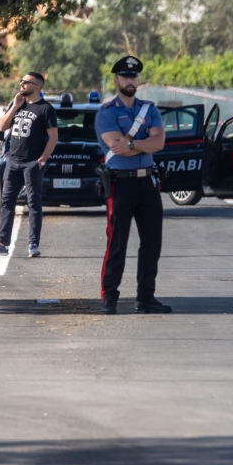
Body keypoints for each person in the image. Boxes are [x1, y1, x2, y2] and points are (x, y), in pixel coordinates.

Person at [95, 56, 170, 315]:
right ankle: (109, 297)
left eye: (134, 76)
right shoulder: (107, 113)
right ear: (116, 80)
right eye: (125, 76)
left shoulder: (150, 110)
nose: (130, 80)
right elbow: (118, 149)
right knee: (117, 243)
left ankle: (146, 298)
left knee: (152, 244)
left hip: (148, 182)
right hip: (121, 185)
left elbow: (159, 144)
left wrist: (133, 144)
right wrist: (141, 143)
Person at [0, 72, 58, 259]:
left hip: (32, 163)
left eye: (25, 82)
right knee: (7, 202)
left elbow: (53, 138)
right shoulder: (19, 105)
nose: (21, 85)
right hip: (12, 161)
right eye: (21, 82)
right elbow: (1, 127)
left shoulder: (46, 109)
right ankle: (1, 243)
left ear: (36, 87)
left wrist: (42, 160)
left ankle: (33, 244)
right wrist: (14, 106)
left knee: (34, 203)